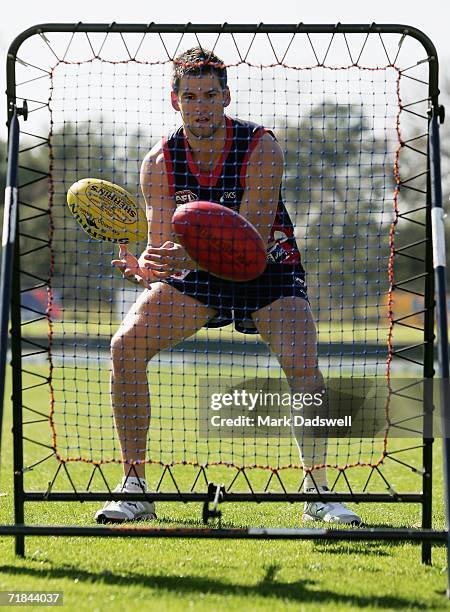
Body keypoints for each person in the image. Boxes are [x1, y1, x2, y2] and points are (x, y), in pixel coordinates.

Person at [95, 47, 361, 526]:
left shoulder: (262, 147)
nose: (201, 105)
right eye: (191, 96)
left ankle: (318, 490)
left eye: (211, 95)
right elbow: (162, 245)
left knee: (304, 365)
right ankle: (134, 486)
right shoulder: (159, 162)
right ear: (175, 100)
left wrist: (180, 256)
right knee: (124, 347)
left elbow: (252, 243)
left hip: (269, 270)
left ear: (226, 97)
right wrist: (148, 269)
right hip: (198, 276)